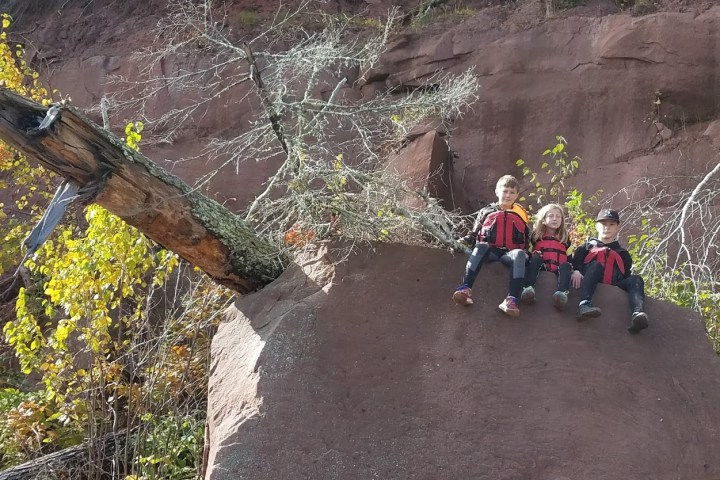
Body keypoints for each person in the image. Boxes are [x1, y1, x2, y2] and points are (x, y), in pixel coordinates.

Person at [452, 175, 529, 317]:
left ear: (517, 195)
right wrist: (461, 242)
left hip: (509, 254)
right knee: (481, 246)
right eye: (505, 191)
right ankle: (465, 288)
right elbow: (474, 234)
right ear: (497, 192)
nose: (508, 195)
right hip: (490, 252)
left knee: (519, 253)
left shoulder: (521, 215)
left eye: (512, 192)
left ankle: (511, 300)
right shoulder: (487, 211)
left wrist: (529, 254)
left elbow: (526, 239)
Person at [570, 208, 649, 333]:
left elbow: (626, 275)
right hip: (591, 279)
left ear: (617, 227)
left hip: (615, 283)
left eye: (611, 224)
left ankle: (637, 314)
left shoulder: (623, 254)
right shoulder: (585, 248)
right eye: (603, 224)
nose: (607, 227)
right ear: (596, 226)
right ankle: (584, 304)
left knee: (636, 279)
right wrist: (576, 271)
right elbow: (576, 264)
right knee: (596, 264)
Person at [520, 203, 573, 311]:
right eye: (551, 216)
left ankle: (561, 294)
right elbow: (528, 253)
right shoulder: (535, 236)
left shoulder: (565, 238)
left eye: (558, 217)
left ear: (562, 220)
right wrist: (533, 255)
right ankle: (529, 288)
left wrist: (576, 271)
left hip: (558, 268)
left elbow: (570, 258)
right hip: (543, 266)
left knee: (566, 266)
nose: (555, 219)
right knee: (535, 259)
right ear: (543, 219)